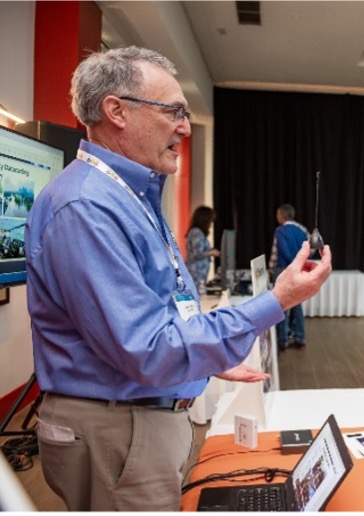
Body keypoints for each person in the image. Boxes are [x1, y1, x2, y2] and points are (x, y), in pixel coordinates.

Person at [24, 46, 332, 511]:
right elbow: (147, 348)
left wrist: (203, 359)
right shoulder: (88, 207)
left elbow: (153, 319)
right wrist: (277, 300)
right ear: (116, 111)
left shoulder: (127, 194)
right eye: (174, 112)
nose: (184, 127)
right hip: (118, 429)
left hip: (133, 420)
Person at [269, 203, 310, 350]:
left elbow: (281, 252)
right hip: (299, 270)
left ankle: (283, 339)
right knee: (297, 304)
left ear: (282, 215)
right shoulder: (303, 230)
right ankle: (300, 337)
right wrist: (300, 264)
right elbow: (309, 251)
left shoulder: (280, 231)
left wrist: (272, 269)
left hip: (284, 270)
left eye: (277, 215)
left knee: (282, 305)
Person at [185, 205, 220, 291]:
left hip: (198, 274)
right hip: (195, 274)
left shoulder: (198, 232)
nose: (211, 224)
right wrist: (211, 253)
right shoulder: (196, 233)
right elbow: (197, 254)